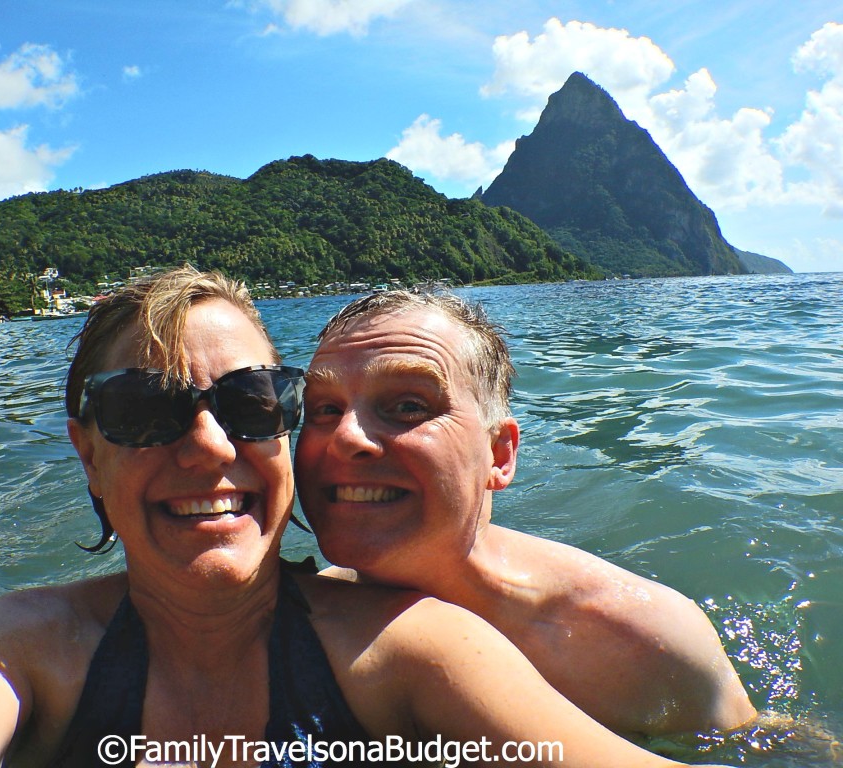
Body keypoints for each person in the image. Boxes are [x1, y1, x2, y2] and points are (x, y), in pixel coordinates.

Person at [0, 267, 732, 768]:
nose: (212, 448)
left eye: (253, 402)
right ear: (87, 452)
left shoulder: (413, 645)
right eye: (144, 410)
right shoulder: (13, 650)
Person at [295, 289, 758, 738]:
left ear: (499, 456)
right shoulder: (293, 622)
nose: (347, 436)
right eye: (324, 409)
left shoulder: (644, 645)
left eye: (409, 407)